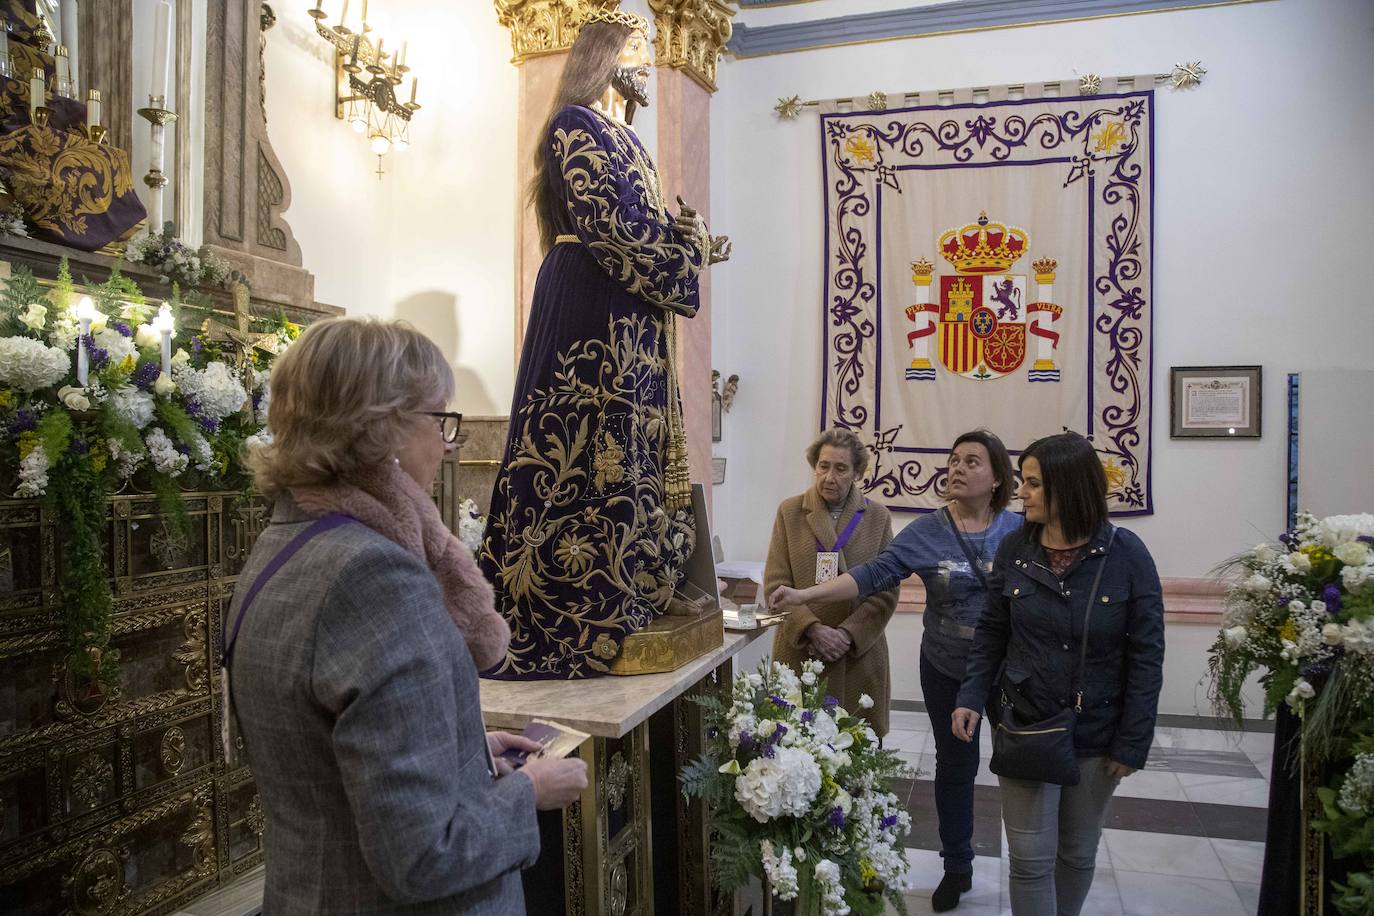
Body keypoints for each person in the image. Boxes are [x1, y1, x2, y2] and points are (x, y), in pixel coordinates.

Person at [229, 317, 588, 913]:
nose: (446, 442)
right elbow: (423, 855)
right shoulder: (377, 578)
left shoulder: (284, 545)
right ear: (384, 427)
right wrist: (527, 790)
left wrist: (467, 752)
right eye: (439, 418)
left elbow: (331, 758)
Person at [479, 8, 730, 680]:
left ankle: (634, 578)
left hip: (631, 310)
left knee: (631, 443)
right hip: (593, 304)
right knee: (587, 439)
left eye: (646, 54)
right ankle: (573, 591)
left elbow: (642, 227)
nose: (643, 65)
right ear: (602, 57)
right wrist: (686, 257)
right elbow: (613, 226)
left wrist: (688, 241)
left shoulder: (629, 141)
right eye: (633, 52)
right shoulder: (574, 124)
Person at [772, 429, 1021, 912]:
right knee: (955, 767)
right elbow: (873, 576)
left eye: (972, 461)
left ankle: (1031, 867)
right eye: (954, 459)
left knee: (1019, 768)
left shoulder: (1018, 531)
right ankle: (958, 868)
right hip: (947, 666)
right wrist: (805, 598)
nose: (958, 467)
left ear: (996, 479)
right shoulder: (929, 530)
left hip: (1011, 672)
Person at [952, 432, 1165, 916]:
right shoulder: (1014, 549)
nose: (1020, 493)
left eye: (1032, 484)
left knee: (1076, 852)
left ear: (1068, 487)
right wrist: (970, 695)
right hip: (1027, 726)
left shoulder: (1127, 556)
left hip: (1097, 735)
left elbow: (1147, 656)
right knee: (1029, 860)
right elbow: (991, 632)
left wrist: (1132, 742)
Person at [762, 428, 899, 734]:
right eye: (823, 466)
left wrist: (847, 635)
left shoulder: (877, 518)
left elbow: (886, 591)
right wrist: (813, 629)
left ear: (857, 473)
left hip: (858, 655)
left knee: (856, 758)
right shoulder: (790, 512)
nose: (829, 476)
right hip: (801, 652)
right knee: (794, 755)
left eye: (841, 468)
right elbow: (775, 585)